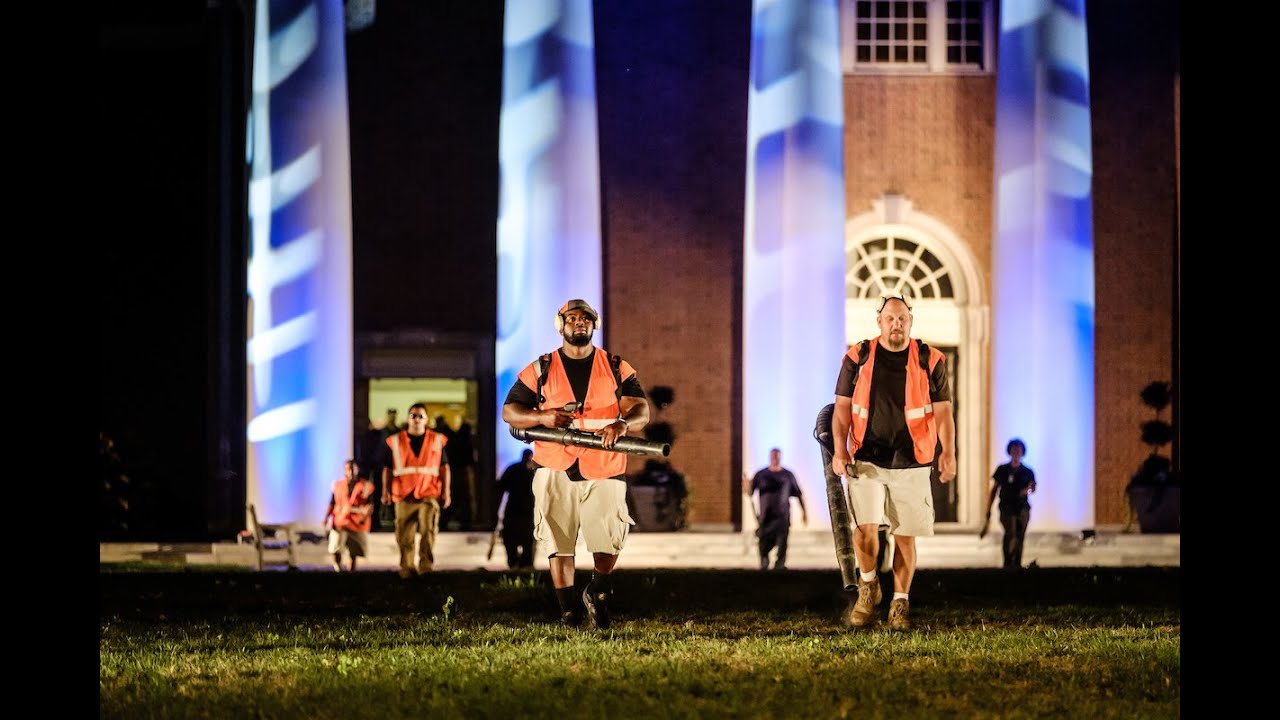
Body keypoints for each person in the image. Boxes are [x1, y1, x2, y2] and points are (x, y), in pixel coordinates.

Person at [502, 298, 650, 630]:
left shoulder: (614, 365)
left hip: (605, 464)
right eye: (572, 318)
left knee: (610, 537)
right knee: (558, 540)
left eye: (586, 318)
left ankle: (597, 591)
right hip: (554, 463)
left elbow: (641, 409)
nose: (579, 322)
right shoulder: (541, 368)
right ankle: (568, 612)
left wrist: (622, 424)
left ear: (594, 325)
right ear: (561, 325)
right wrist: (543, 417)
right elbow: (510, 411)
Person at [830, 291, 956, 630]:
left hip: (912, 460)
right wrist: (840, 450)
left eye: (902, 319)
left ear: (910, 322)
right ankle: (869, 585)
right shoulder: (858, 356)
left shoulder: (930, 360)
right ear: (880, 322)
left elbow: (944, 412)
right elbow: (842, 407)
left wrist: (949, 453)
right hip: (867, 457)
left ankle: (900, 603)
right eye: (890, 318)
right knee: (864, 531)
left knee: (905, 537)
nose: (896, 324)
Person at [380, 402, 452, 578]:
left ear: (426, 420)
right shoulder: (396, 441)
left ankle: (425, 567)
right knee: (404, 534)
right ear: (408, 418)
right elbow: (387, 469)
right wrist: (385, 491)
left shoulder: (436, 440)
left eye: (420, 416)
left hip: (429, 494)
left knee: (428, 531)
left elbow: (444, 468)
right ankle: (407, 568)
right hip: (404, 495)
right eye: (413, 415)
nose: (417, 419)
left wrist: (446, 492)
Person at [748, 448, 808, 570]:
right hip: (766, 516)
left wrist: (804, 512)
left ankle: (780, 565)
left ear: (780, 457)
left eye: (777, 456)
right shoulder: (761, 475)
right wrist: (746, 486)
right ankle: (764, 563)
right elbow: (750, 491)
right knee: (764, 541)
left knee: (782, 542)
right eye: (773, 456)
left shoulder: (787, 475)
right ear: (770, 457)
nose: (775, 458)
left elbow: (798, 494)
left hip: (782, 516)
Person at [982, 438, 1036, 570]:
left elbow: (1032, 488)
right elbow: (994, 489)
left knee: (1020, 535)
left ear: (1022, 452)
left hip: (1022, 507)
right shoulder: (1002, 469)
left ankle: (1017, 563)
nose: (1016, 452)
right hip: (1006, 507)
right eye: (1014, 449)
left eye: (1019, 450)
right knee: (1010, 532)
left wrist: (1026, 491)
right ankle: (1007, 563)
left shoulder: (1027, 472)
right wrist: (988, 509)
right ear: (1009, 451)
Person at [322, 458, 375, 571]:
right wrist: (326, 518)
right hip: (340, 520)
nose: (350, 471)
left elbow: (370, 505)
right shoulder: (338, 485)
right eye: (347, 469)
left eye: (352, 468)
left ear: (357, 469)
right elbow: (332, 502)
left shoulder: (365, 486)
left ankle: (351, 571)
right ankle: (338, 569)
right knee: (335, 547)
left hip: (357, 521)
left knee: (354, 550)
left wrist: (364, 515)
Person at [496, 448, 537, 570]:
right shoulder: (533, 472)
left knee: (514, 542)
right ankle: (523, 565)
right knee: (526, 542)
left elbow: (500, 489)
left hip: (517, 511)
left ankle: (516, 564)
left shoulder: (513, 469)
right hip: (524, 512)